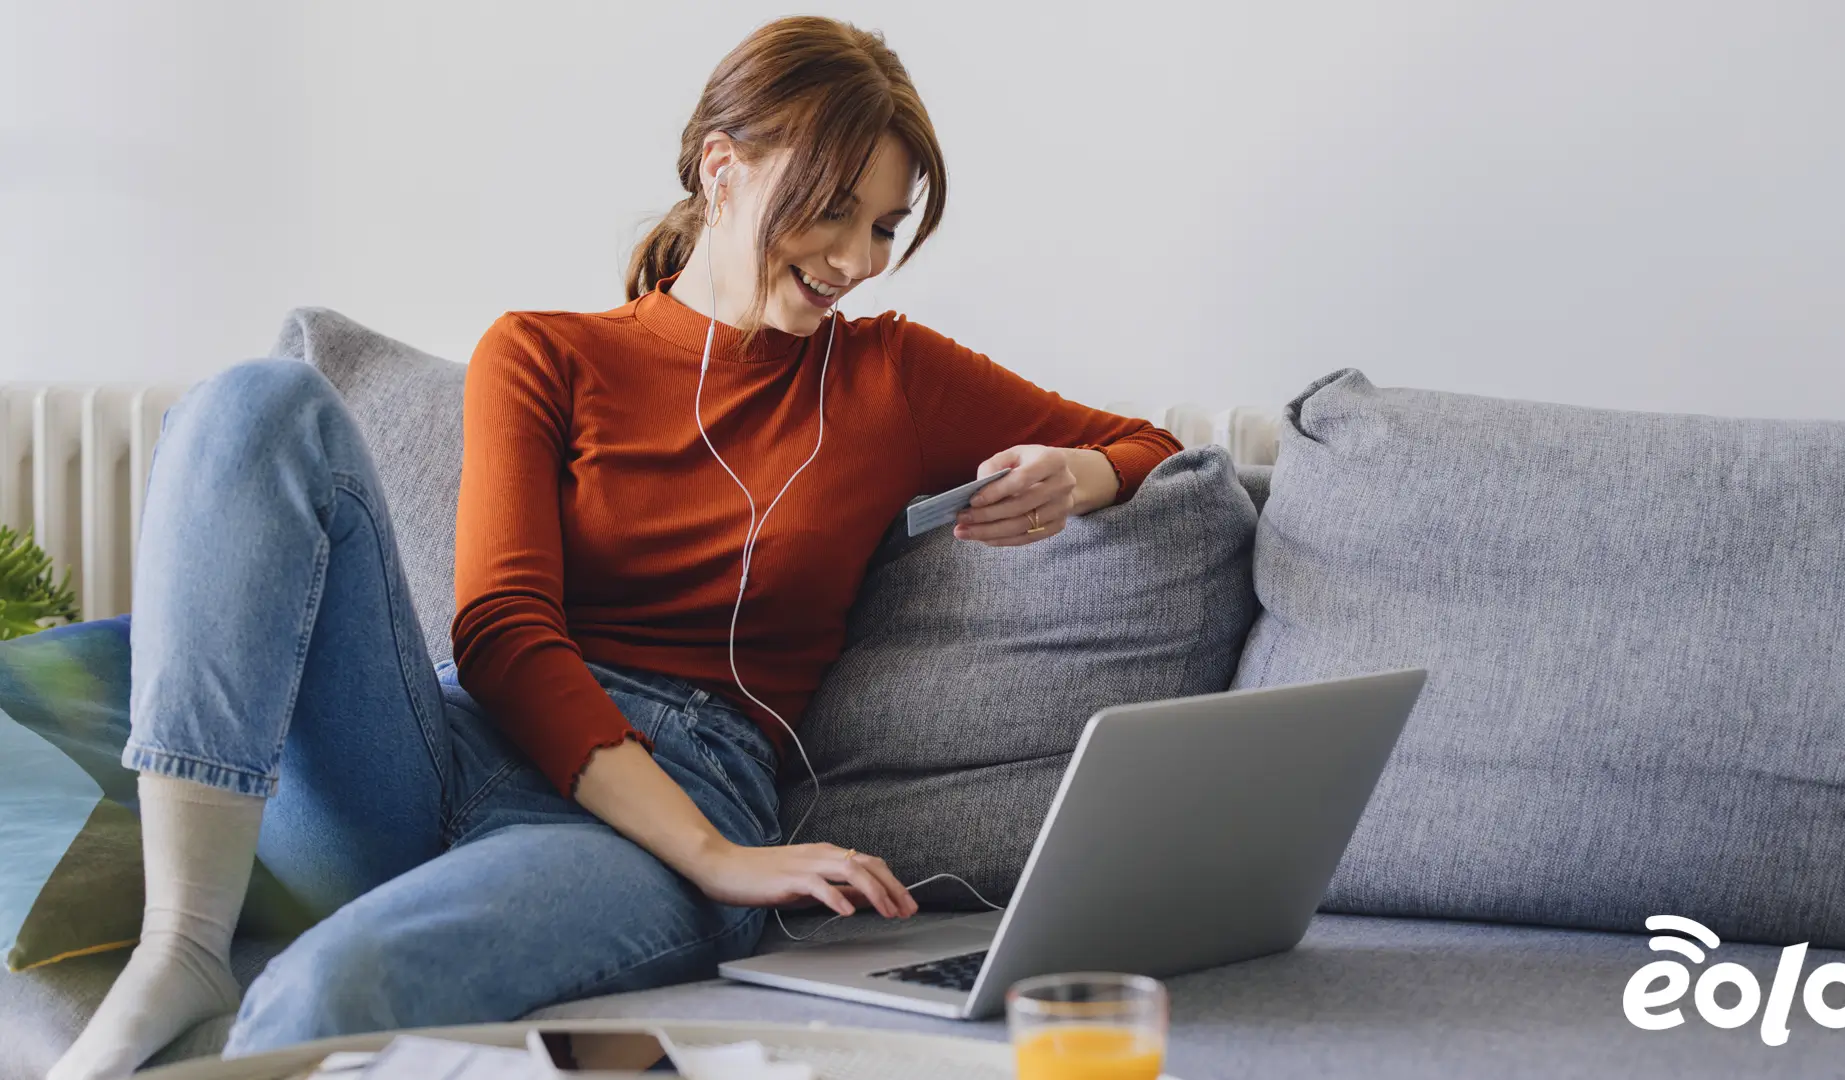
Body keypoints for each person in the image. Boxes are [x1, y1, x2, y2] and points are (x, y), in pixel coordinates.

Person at [51, 15, 1180, 1078]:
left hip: (669, 804)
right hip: (445, 743)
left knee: (330, 992)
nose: (855, 259)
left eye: (884, 226)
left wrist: (1072, 476)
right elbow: (499, 632)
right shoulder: (544, 355)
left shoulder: (892, 376)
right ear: (720, 170)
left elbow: (1148, 444)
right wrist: (717, 861)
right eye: (830, 210)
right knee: (257, 403)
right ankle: (182, 943)